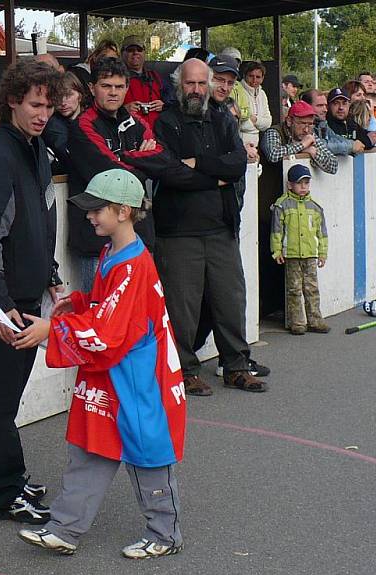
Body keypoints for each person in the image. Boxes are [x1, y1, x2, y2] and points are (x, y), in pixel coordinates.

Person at [14, 169, 186, 559]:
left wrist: (52, 329)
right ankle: (64, 527)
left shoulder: (132, 265)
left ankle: (165, 533)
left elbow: (108, 332)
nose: (89, 215)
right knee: (91, 446)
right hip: (116, 373)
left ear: (124, 211)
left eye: (97, 209)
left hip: (139, 379)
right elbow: (107, 308)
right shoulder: (115, 253)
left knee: (147, 456)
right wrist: (78, 302)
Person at [0, 60, 65, 523]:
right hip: (2, 297)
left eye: (48, 105)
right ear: (12, 103)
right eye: (35, 105)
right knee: (0, 400)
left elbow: (40, 223)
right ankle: (4, 491)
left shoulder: (36, 149)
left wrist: (52, 275)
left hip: (27, 291)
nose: (43, 114)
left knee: (3, 396)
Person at [155, 59, 267, 395]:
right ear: (179, 85)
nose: (196, 90)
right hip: (178, 232)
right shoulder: (166, 122)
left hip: (221, 228)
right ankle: (185, 371)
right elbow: (171, 172)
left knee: (230, 301)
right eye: (190, 84)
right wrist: (213, 177)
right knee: (182, 308)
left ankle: (235, 365)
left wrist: (200, 166)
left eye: (202, 84)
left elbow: (237, 164)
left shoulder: (222, 119)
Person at [66, 56, 166, 292]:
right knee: (101, 320)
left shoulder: (136, 121)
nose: (113, 93)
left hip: (139, 237)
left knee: (137, 317)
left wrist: (126, 158)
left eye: (119, 86)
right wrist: (142, 161)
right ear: (92, 88)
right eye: (106, 86)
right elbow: (112, 175)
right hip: (96, 242)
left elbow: (162, 160)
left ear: (127, 88)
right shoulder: (82, 126)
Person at [270, 164, 329, 335]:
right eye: (299, 183)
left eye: (306, 183)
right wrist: (277, 251)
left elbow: (322, 233)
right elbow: (276, 231)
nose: (303, 187)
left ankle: (315, 320)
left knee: (312, 288)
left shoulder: (315, 207)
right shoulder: (282, 205)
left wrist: (323, 253)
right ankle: (297, 322)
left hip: (311, 254)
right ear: (290, 185)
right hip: (292, 255)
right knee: (294, 289)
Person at [261, 100, 338, 175]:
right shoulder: (274, 131)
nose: (306, 129)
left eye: (310, 124)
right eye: (302, 123)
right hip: (274, 186)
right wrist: (302, 145)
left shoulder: (310, 134)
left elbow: (334, 166)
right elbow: (273, 155)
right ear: (289, 121)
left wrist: (314, 152)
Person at [120, 35, 173, 129]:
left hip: (158, 135)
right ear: (122, 53)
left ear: (144, 53)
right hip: (129, 134)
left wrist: (164, 105)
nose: (135, 53)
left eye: (139, 49)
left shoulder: (156, 77)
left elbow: (174, 102)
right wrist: (123, 110)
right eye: (130, 50)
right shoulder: (116, 78)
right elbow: (104, 108)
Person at [42, 70, 87, 175]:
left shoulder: (92, 118)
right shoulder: (53, 125)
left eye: (68, 95)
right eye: (58, 96)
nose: (63, 102)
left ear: (79, 95)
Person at [325, 88, 375, 153]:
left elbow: (367, 142)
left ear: (349, 105)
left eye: (344, 103)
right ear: (328, 106)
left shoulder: (351, 123)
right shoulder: (325, 125)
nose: (341, 107)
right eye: (336, 103)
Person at [239, 60, 272, 146]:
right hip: (239, 143)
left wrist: (255, 120)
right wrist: (259, 125)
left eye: (258, 77)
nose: (254, 80)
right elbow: (240, 125)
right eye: (251, 76)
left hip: (256, 144)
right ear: (244, 75)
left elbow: (268, 123)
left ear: (263, 78)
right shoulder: (237, 91)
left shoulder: (262, 94)